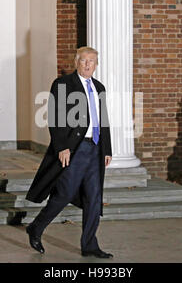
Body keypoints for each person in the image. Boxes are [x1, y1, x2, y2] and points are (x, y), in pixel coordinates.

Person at [25, 47, 113, 258]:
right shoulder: (63, 84)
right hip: (74, 149)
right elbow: (55, 118)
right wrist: (62, 147)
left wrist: (107, 149)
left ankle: (90, 245)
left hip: (95, 149)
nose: (88, 64)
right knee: (64, 193)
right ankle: (36, 227)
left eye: (92, 61)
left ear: (96, 64)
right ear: (76, 62)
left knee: (94, 197)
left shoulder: (99, 87)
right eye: (84, 60)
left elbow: (104, 120)